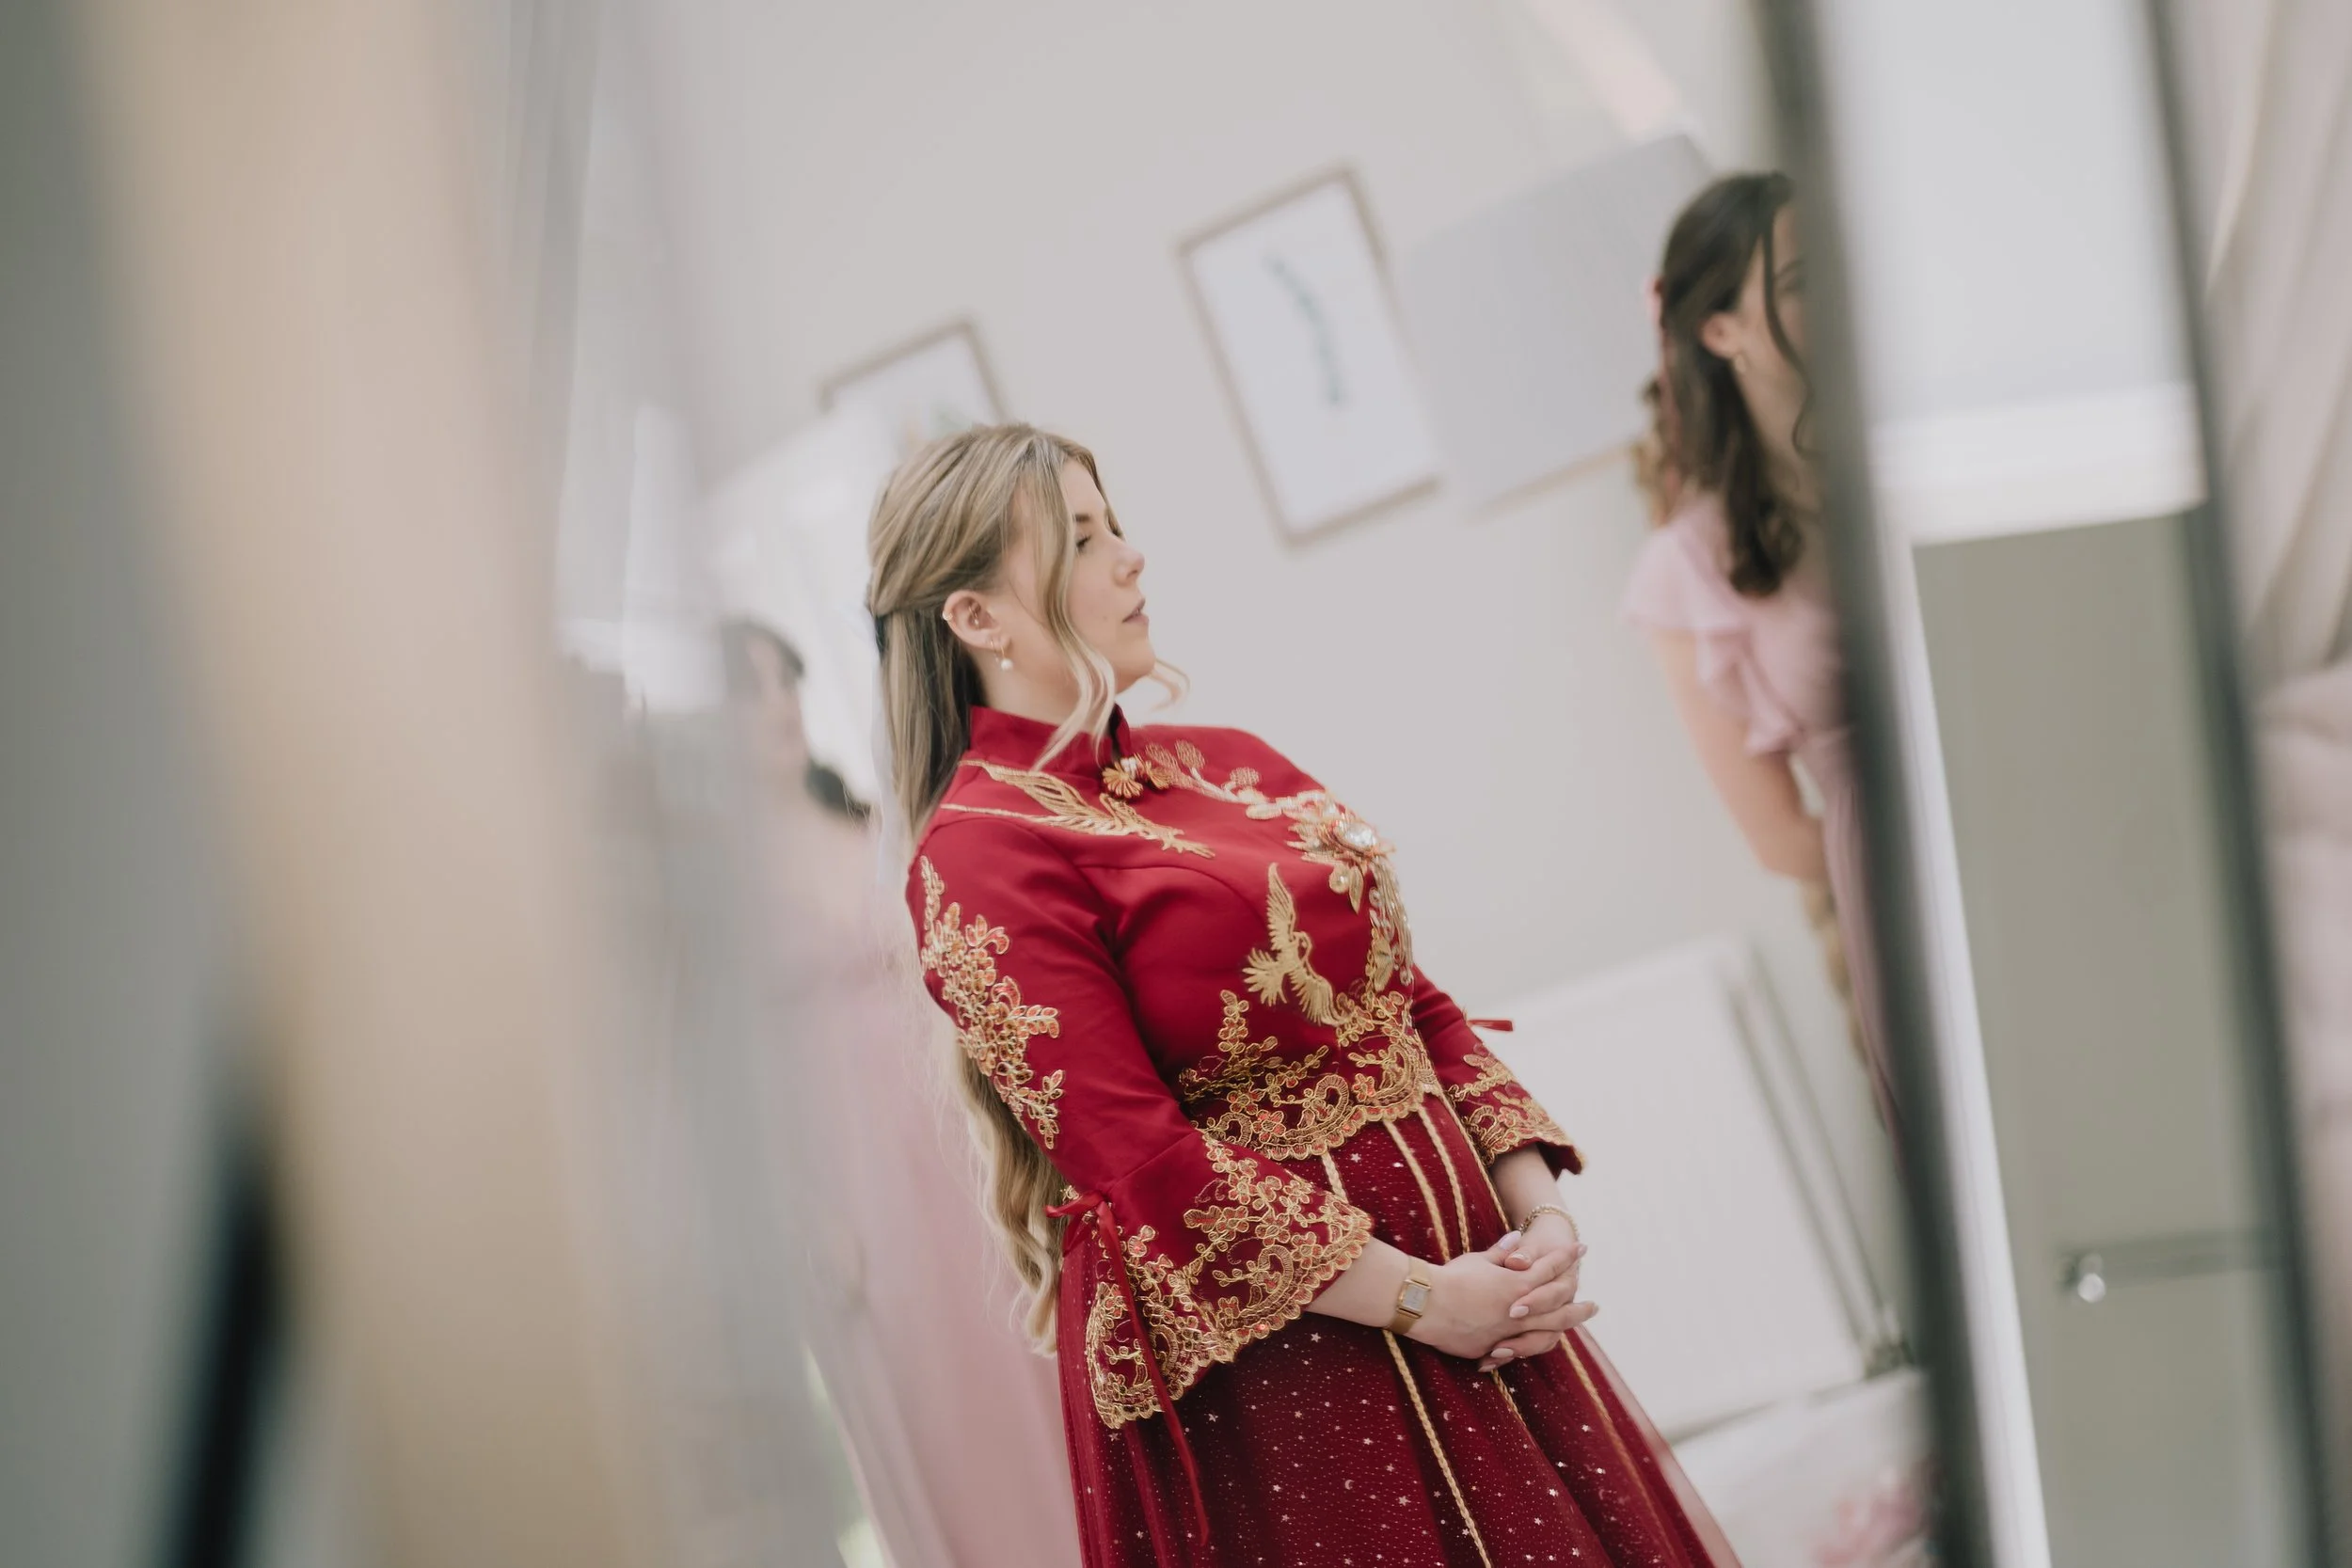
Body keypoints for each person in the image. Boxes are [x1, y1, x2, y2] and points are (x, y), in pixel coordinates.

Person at [866, 424, 1740, 1568]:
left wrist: (1540, 1221)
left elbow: (1412, 1005)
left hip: (1482, 1291)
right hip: (1295, 1364)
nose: (1129, 557)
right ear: (977, 617)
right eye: (1080, 538)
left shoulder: (1229, 761)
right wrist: (1425, 1301)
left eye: (1115, 523)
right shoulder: (980, 853)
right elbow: (1139, 1162)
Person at [721, 618, 1082, 1567]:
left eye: (782, 679)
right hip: (852, 1192)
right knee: (941, 1415)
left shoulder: (878, 823)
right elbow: (727, 1089)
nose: (776, 706)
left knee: (1043, 1370)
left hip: (965, 1147)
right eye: (743, 689)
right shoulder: (708, 896)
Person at [1623, 173, 1894, 1131]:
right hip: (1900, 898)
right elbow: (1778, 834)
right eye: (1800, 280)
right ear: (1721, 332)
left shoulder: (1910, 454)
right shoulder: (1686, 566)